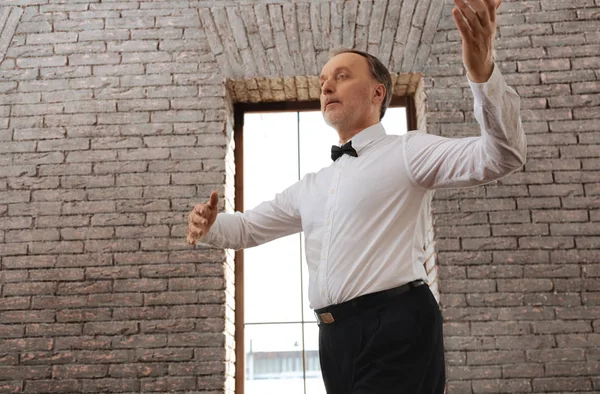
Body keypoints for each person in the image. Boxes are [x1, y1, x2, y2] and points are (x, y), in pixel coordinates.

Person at [187, 0, 525, 392]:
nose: (327, 86)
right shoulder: (312, 185)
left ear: (377, 92)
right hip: (334, 338)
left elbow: (502, 155)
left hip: (396, 325)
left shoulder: (408, 151)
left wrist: (482, 72)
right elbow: (246, 228)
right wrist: (211, 225)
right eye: (323, 81)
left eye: (343, 76)